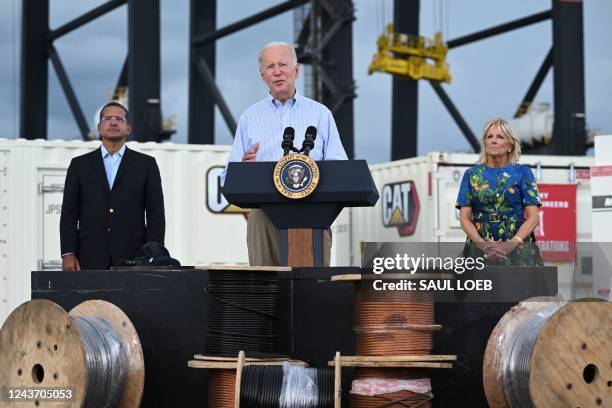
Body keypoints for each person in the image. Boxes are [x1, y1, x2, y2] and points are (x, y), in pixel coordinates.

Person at [224, 41, 348, 266]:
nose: (277, 71)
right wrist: (242, 171)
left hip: (314, 213)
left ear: (296, 70)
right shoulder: (249, 118)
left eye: (283, 64)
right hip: (264, 214)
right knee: (266, 289)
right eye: (270, 67)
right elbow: (227, 178)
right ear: (262, 75)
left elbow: (340, 168)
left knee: (311, 291)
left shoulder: (321, 115)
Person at [60, 101, 165, 270]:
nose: (114, 122)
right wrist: (68, 253)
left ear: (128, 128)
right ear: (99, 127)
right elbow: (69, 214)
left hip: (134, 255)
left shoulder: (146, 164)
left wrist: (154, 254)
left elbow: (156, 214)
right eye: (108, 118)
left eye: (119, 119)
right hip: (88, 255)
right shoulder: (79, 165)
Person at [455, 117, 543, 265]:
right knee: (478, 288)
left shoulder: (523, 172)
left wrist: (510, 245)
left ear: (510, 145)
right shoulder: (471, 174)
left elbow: (533, 218)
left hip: (518, 248)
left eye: (500, 137)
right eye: (489, 136)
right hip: (480, 247)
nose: (493, 140)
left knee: (521, 288)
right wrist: (484, 246)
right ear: (484, 143)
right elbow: (464, 219)